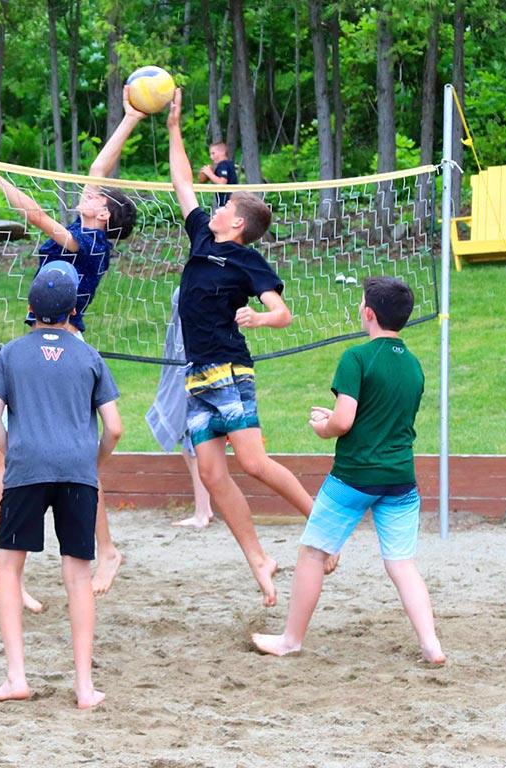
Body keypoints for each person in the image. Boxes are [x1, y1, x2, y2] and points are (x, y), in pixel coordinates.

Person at [0, 92, 141, 595]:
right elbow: (100, 167)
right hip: (41, 342)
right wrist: (129, 118)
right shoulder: (87, 227)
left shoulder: (92, 242)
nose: (89, 192)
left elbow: (35, 215)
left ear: (105, 215)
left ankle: (105, 550)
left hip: (65, 348)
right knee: (10, 453)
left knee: (70, 461)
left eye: (96, 197)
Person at [166, 88, 327, 607]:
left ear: (236, 222)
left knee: (253, 463)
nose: (215, 207)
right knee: (212, 474)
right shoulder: (201, 238)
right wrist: (172, 128)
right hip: (197, 373)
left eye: (225, 205)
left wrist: (259, 317)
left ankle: (322, 523)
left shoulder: (246, 260)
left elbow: (284, 313)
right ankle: (259, 558)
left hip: (230, 369)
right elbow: (183, 183)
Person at [252, 276, 445, 666]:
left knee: (312, 553)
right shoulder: (413, 365)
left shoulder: (356, 357)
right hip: (401, 480)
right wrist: (340, 416)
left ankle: (291, 640)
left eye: (360, 303)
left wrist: (323, 425)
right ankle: (431, 646)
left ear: (369, 313)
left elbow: (343, 423)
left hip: (354, 477)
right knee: (402, 564)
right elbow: (378, 417)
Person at [0, 261, 122, 709]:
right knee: (78, 575)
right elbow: (115, 428)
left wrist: (15, 448)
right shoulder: (87, 355)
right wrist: (90, 460)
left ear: (30, 307)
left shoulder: (12, 353)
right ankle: (84, 688)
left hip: (26, 468)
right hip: (76, 471)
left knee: (9, 568)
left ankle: (16, 678)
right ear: (73, 310)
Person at [145, 288, 213, 528]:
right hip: (191, 360)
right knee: (191, 440)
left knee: (196, 439)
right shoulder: (195, 280)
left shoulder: (205, 283)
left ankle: (203, 512)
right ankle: (203, 509)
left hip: (200, 364)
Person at [199, 140, 239, 209]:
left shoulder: (223, 165)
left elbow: (222, 183)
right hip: (232, 201)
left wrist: (209, 173)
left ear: (223, 152)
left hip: (226, 202)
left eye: (213, 153)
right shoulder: (228, 164)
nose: (211, 157)